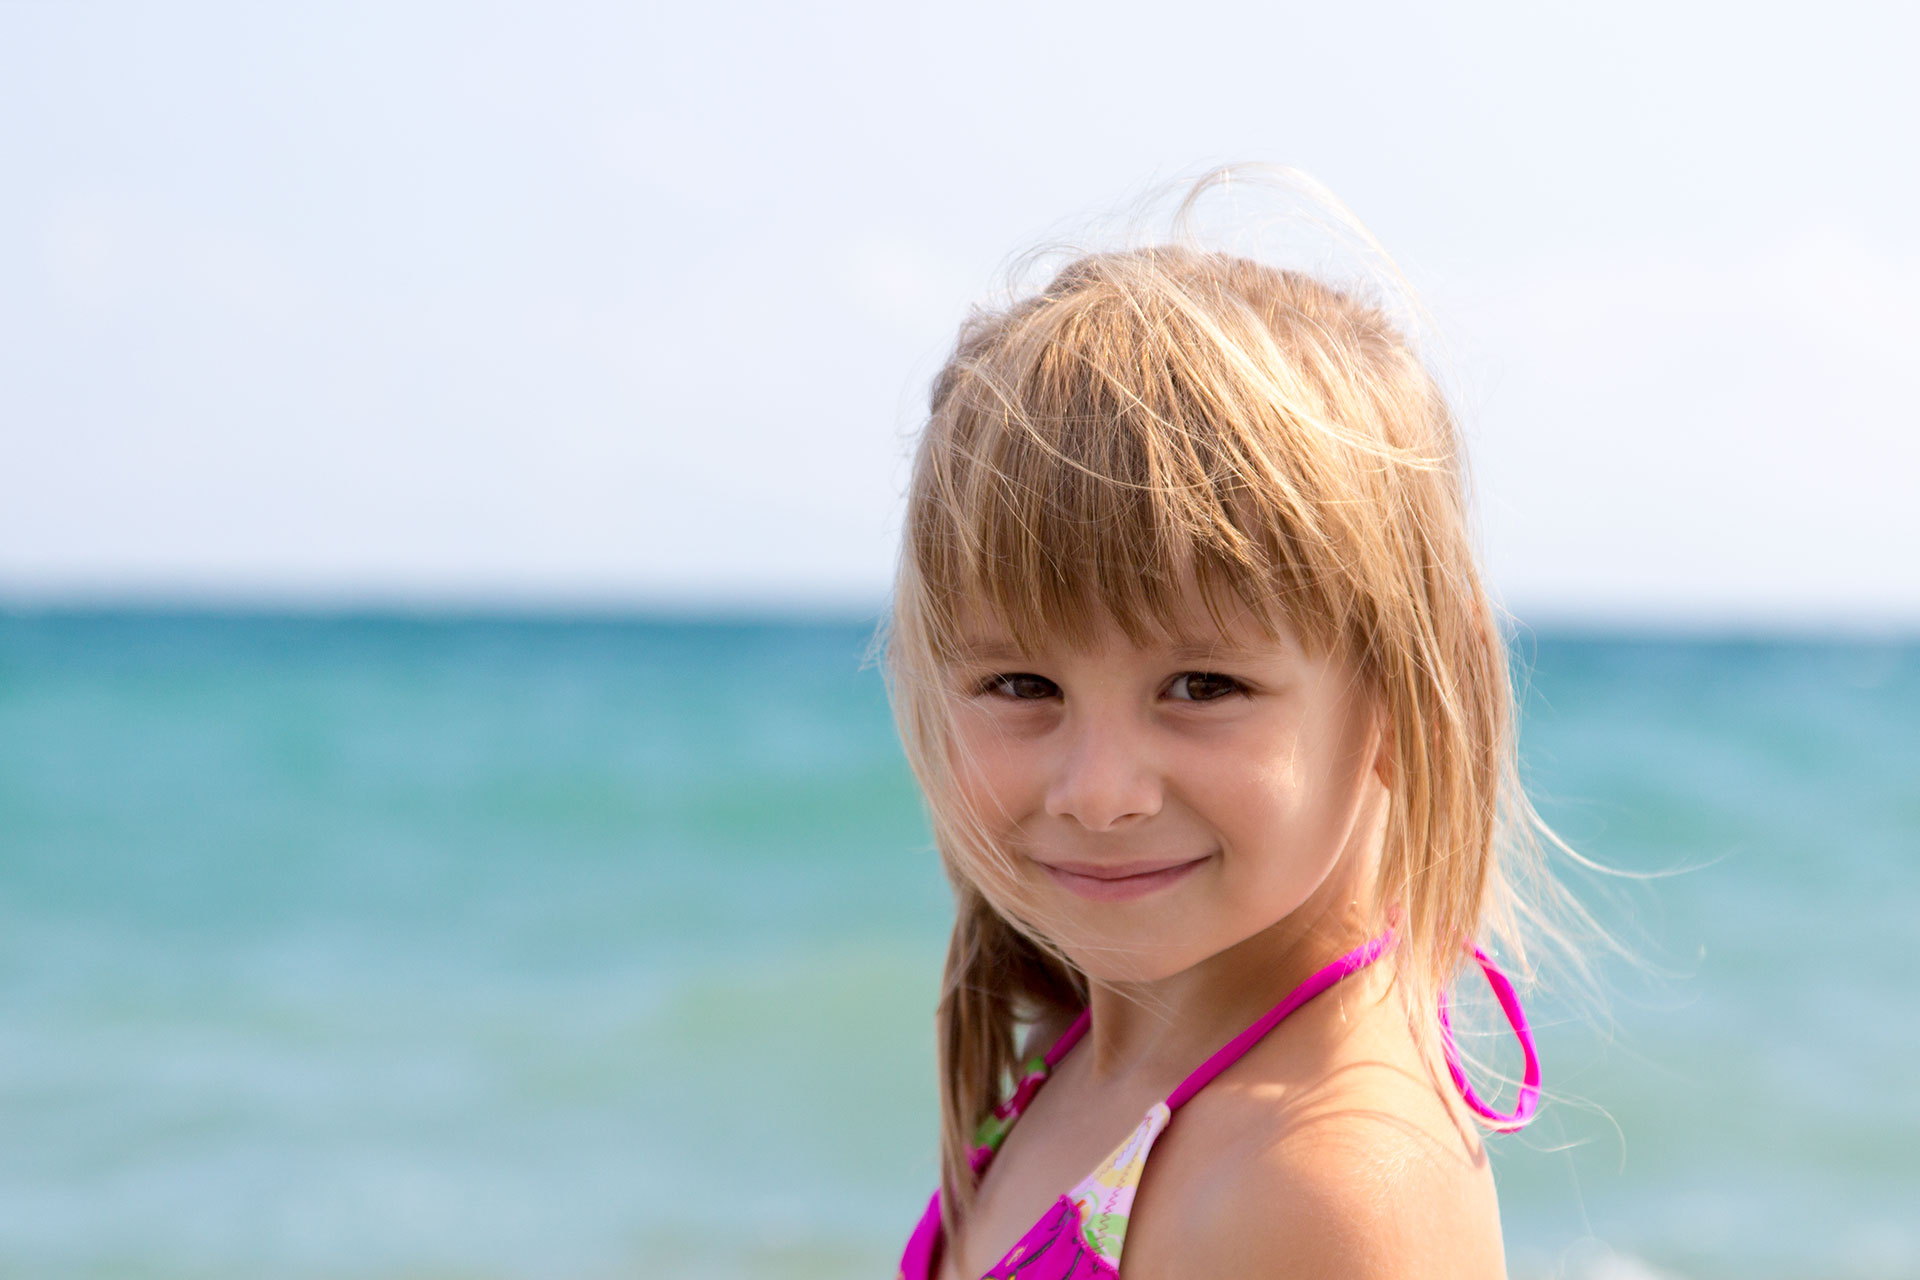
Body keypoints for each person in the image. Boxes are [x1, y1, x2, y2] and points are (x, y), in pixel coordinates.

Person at [877, 168, 1571, 1279]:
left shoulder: (1324, 1180)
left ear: (1405, 694)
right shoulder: (1096, 1048)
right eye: (1021, 684)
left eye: (1201, 687)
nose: (1099, 791)